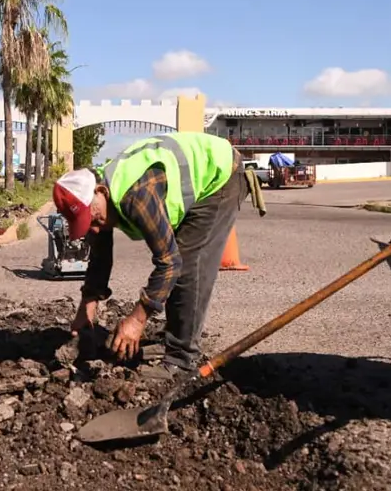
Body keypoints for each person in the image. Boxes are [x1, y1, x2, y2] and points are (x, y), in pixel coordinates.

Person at [52, 132, 264, 378]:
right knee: (178, 259)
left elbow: (170, 263)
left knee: (188, 265)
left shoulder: (136, 194)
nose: (95, 228)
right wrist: (86, 308)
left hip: (219, 176)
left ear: (101, 191)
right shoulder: (98, 198)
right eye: (87, 224)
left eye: (94, 218)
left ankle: (182, 360)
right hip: (196, 178)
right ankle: (174, 340)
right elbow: (99, 257)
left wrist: (137, 320)